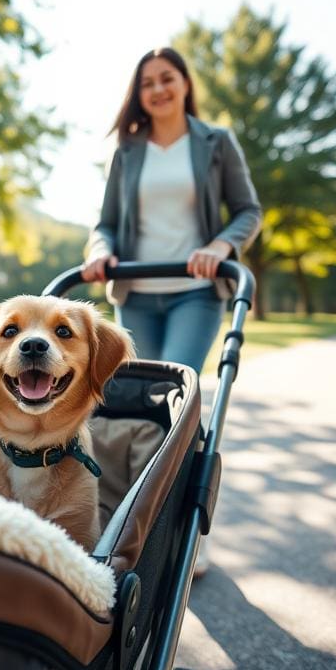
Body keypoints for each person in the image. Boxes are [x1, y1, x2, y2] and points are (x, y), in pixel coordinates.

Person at [81, 46, 262, 576]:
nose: (157, 89)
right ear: (138, 95)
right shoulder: (128, 151)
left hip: (194, 292)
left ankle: (185, 536)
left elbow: (248, 210)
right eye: (147, 83)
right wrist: (98, 252)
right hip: (137, 294)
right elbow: (106, 222)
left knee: (177, 409)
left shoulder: (215, 142)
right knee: (132, 409)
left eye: (167, 78)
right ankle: (125, 524)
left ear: (185, 83)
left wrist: (222, 248)